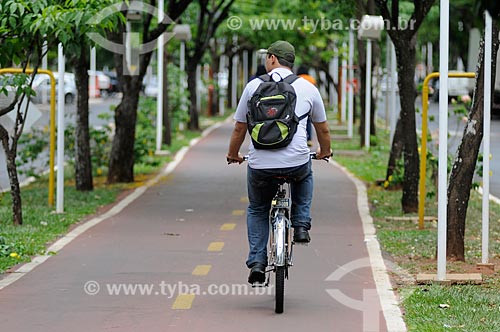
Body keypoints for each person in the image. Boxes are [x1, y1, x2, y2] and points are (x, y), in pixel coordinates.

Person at [226, 40, 332, 284]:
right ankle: (302, 224)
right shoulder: (307, 88)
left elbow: (239, 128)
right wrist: (324, 151)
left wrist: (233, 155)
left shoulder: (253, 87)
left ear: (272, 58)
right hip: (295, 162)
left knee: (258, 208)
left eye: (267, 57)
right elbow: (323, 130)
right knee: (304, 174)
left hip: (260, 165)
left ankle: (257, 262)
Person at [296, 65, 317, 146]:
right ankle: (309, 139)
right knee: (308, 121)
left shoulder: (297, 79)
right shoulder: (311, 79)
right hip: (309, 102)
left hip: (299, 103)